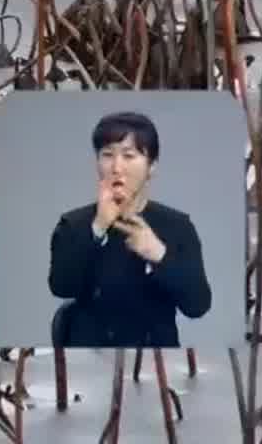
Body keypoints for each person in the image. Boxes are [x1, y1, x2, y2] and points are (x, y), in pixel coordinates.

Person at [48, 111, 213, 348]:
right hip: (88, 356)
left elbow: (197, 306)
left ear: (151, 166)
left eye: (129, 156)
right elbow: (62, 286)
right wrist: (98, 228)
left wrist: (159, 254)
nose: (117, 167)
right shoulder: (73, 224)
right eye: (107, 155)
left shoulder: (177, 226)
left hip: (152, 356)